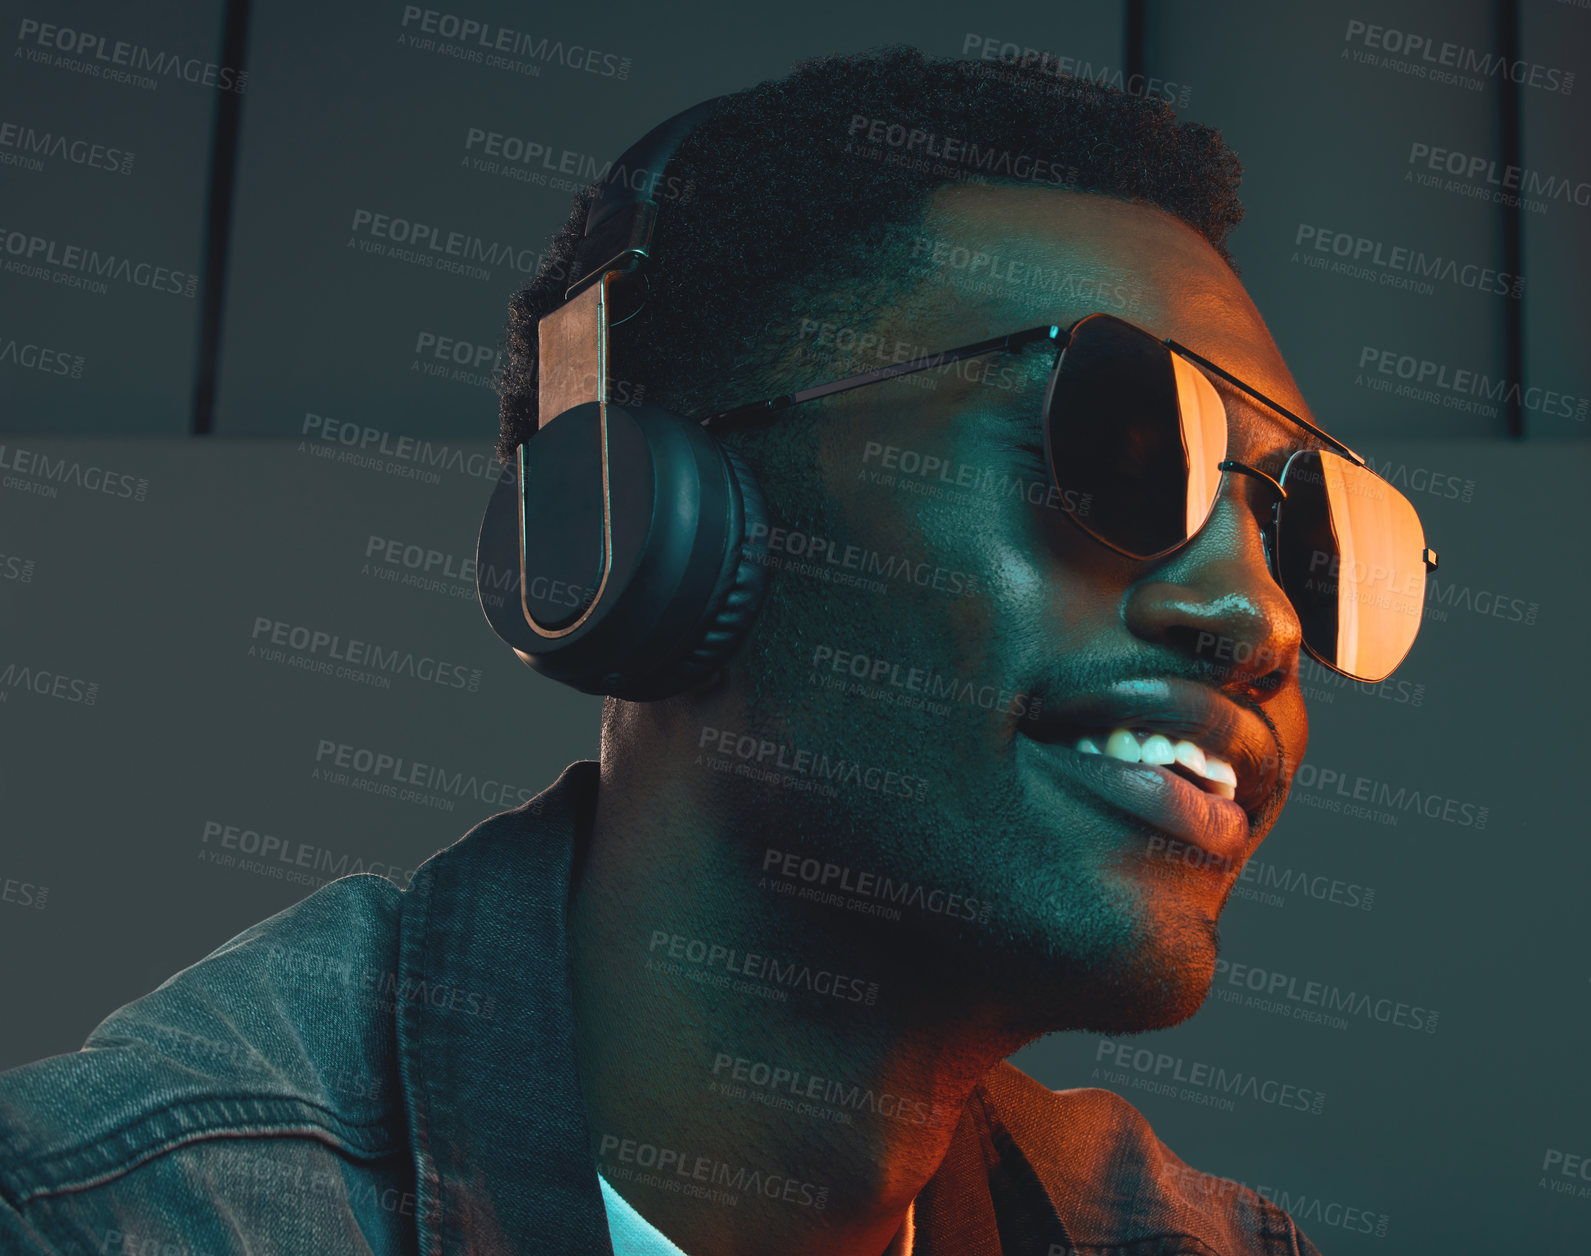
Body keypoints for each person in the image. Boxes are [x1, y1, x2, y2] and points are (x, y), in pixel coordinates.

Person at [0, 47, 1440, 1255]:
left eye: (1306, 533)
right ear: (637, 539)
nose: (1262, 620)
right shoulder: (122, 1215)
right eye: (1120, 447)